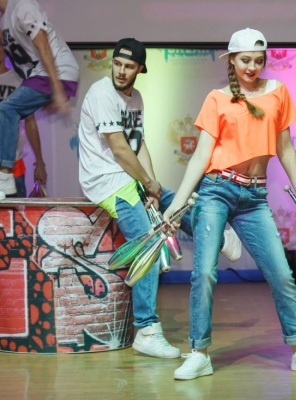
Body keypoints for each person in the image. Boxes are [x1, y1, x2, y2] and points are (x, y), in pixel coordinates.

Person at [163, 28, 296, 380]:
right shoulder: (216, 99)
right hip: (216, 190)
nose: (252, 67)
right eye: (245, 60)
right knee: (204, 273)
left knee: (281, 274)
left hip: (254, 197)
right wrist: (176, 204)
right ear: (231, 60)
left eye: (258, 60)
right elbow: (200, 156)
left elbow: (285, 149)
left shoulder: (277, 92)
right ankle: (199, 353)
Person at [78, 38, 242, 359]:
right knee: (149, 243)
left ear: (140, 69)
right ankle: (146, 330)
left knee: (172, 201)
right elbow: (120, 149)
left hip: (128, 176)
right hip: (106, 182)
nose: (121, 71)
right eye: (117, 64)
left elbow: (138, 144)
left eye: (129, 66)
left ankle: (218, 235)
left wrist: (152, 187)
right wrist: (147, 182)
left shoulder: (136, 98)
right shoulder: (101, 93)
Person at [0, 0, 77, 199]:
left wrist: (57, 88)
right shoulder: (5, 19)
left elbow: (43, 44)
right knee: (11, 109)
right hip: (40, 75)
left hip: (56, 71)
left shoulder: (22, 6)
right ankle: (5, 175)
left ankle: (5, 174)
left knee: (7, 108)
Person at [0, 45, 46, 198]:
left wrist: (39, 161)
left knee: (14, 212)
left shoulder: (19, 79)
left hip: (14, 164)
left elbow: (30, 123)